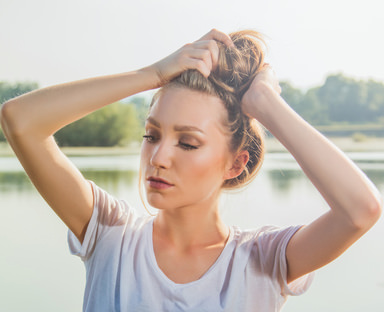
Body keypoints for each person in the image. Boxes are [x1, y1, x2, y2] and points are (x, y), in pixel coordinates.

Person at [0, 29, 382, 311]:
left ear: (235, 164)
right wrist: (152, 74)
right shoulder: (109, 234)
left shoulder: (262, 259)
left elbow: (361, 210)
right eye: (152, 135)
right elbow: (19, 120)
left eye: (187, 143)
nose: (159, 157)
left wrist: (265, 103)